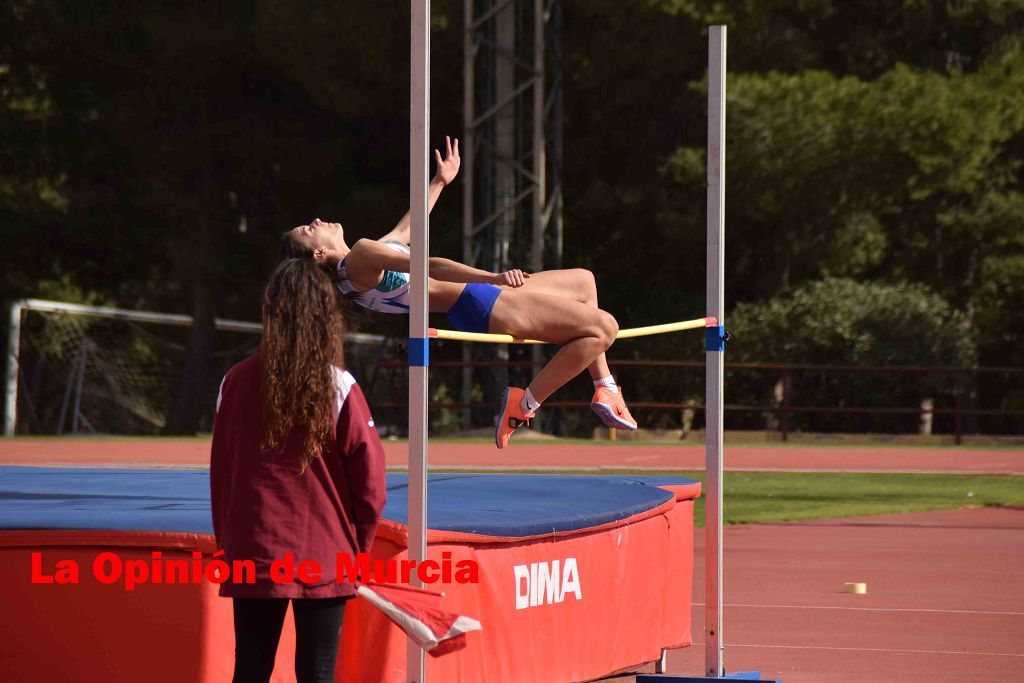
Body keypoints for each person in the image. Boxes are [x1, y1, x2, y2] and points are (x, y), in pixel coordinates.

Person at [280, 136, 637, 449]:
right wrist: (492, 277)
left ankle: (605, 385)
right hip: (480, 300)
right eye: (307, 230)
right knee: (603, 329)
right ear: (318, 254)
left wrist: (440, 181)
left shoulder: (360, 263)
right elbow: (430, 265)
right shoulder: (358, 257)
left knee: (584, 282)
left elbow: (408, 227)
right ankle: (524, 404)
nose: (315, 222)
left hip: (476, 297)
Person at [210, 258, 387, 683]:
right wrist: (358, 548)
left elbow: (222, 475)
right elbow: (371, 483)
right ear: (325, 317)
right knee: (317, 673)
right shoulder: (338, 385)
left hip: (254, 548)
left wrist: (230, 544)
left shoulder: (234, 381)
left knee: (250, 669)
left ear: (271, 312)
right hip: (325, 552)